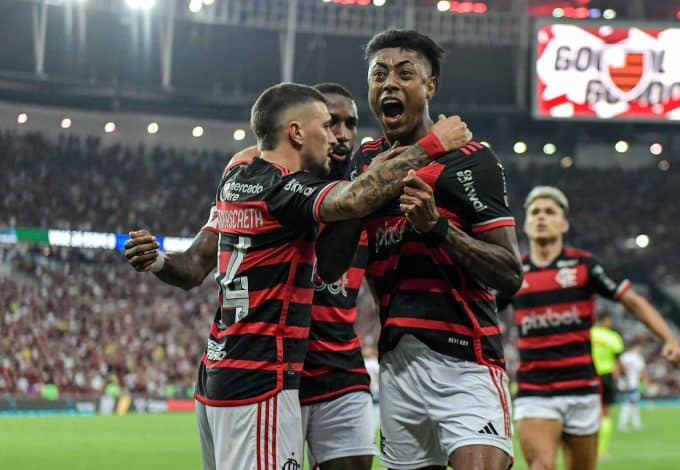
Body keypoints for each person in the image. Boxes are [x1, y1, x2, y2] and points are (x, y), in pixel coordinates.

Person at [124, 82, 472, 470]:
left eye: (350, 124)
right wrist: (431, 145)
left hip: (256, 372)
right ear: (297, 131)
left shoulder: (240, 174)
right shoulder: (291, 188)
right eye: (328, 124)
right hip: (263, 376)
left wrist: (157, 261)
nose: (338, 135)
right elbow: (354, 198)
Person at [319, 29, 524, 470]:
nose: (389, 83)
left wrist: (438, 229)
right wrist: (363, 193)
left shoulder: (471, 159)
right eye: (379, 75)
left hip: (467, 361)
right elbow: (331, 266)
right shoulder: (365, 162)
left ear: (430, 87)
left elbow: (510, 273)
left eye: (404, 73)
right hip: (397, 368)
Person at [508, 186, 680, 470]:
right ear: (526, 224)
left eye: (550, 212)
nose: (541, 217)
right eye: (535, 212)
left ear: (564, 224)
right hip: (534, 389)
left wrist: (669, 338)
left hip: (582, 388)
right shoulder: (514, 272)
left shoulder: (584, 265)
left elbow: (632, 301)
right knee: (541, 465)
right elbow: (484, 312)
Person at [590, 314, 624, 459]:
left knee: (587, 413)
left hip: (589, 375)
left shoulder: (589, 334)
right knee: (605, 414)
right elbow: (618, 361)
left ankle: (587, 450)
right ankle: (602, 451)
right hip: (606, 376)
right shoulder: (612, 337)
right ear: (606, 320)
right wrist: (622, 375)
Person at [617, 341, 647, 432]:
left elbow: (618, 368)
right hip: (632, 383)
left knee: (633, 404)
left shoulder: (624, 356)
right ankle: (622, 424)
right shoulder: (637, 358)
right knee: (629, 404)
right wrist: (644, 383)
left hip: (624, 383)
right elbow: (641, 372)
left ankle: (636, 424)